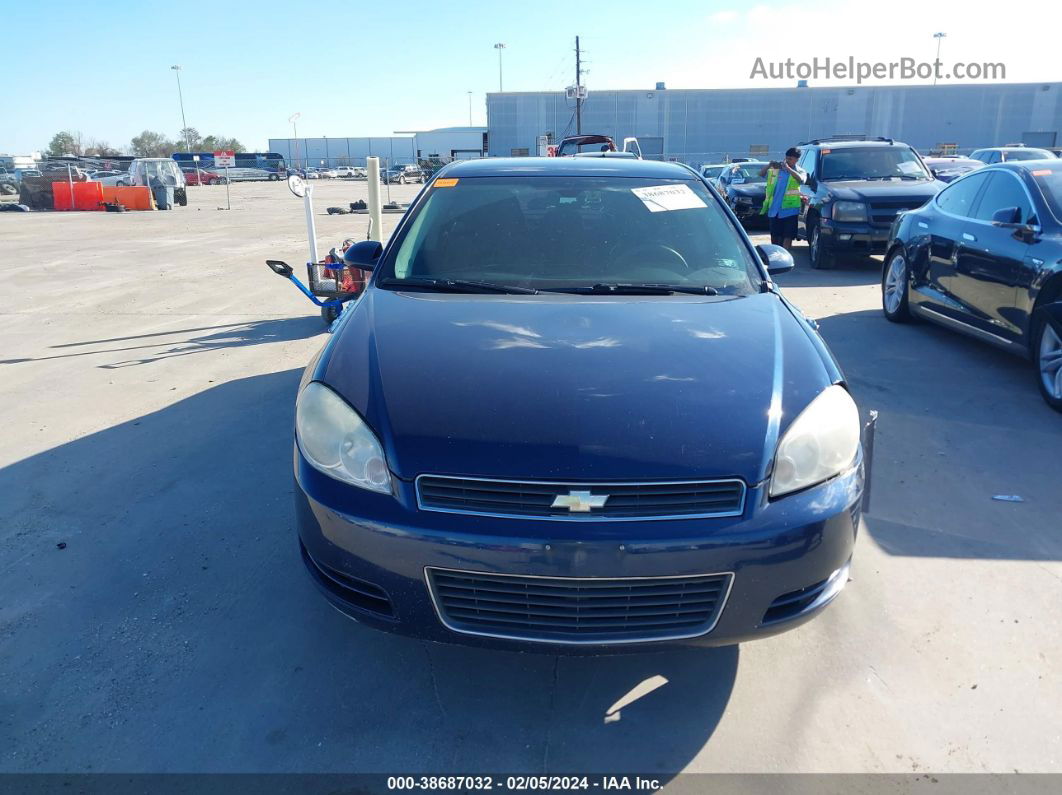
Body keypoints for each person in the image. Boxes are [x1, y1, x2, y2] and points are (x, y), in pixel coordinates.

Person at [759, 147, 806, 251]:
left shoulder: (800, 171)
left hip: (790, 210)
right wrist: (769, 165)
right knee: (775, 236)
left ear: (796, 160)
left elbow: (801, 180)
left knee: (788, 236)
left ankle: (785, 255)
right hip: (774, 210)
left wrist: (789, 169)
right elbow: (761, 174)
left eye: (790, 159)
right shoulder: (777, 171)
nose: (787, 161)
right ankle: (775, 254)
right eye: (786, 158)